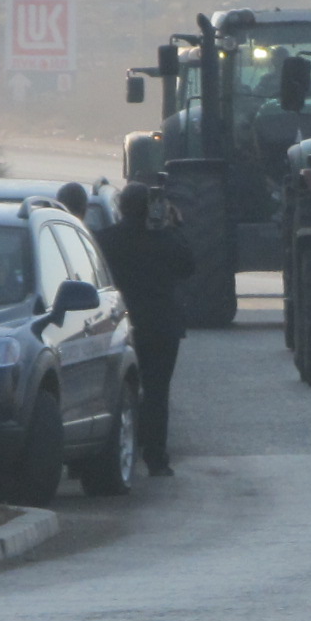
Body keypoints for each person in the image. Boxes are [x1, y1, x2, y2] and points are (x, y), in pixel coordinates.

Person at [102, 181, 194, 475]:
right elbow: (188, 266)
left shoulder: (106, 240)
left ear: (121, 208)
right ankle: (155, 457)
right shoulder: (166, 240)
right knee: (156, 392)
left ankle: (117, 451)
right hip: (160, 324)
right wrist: (175, 227)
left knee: (117, 390)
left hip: (120, 324)